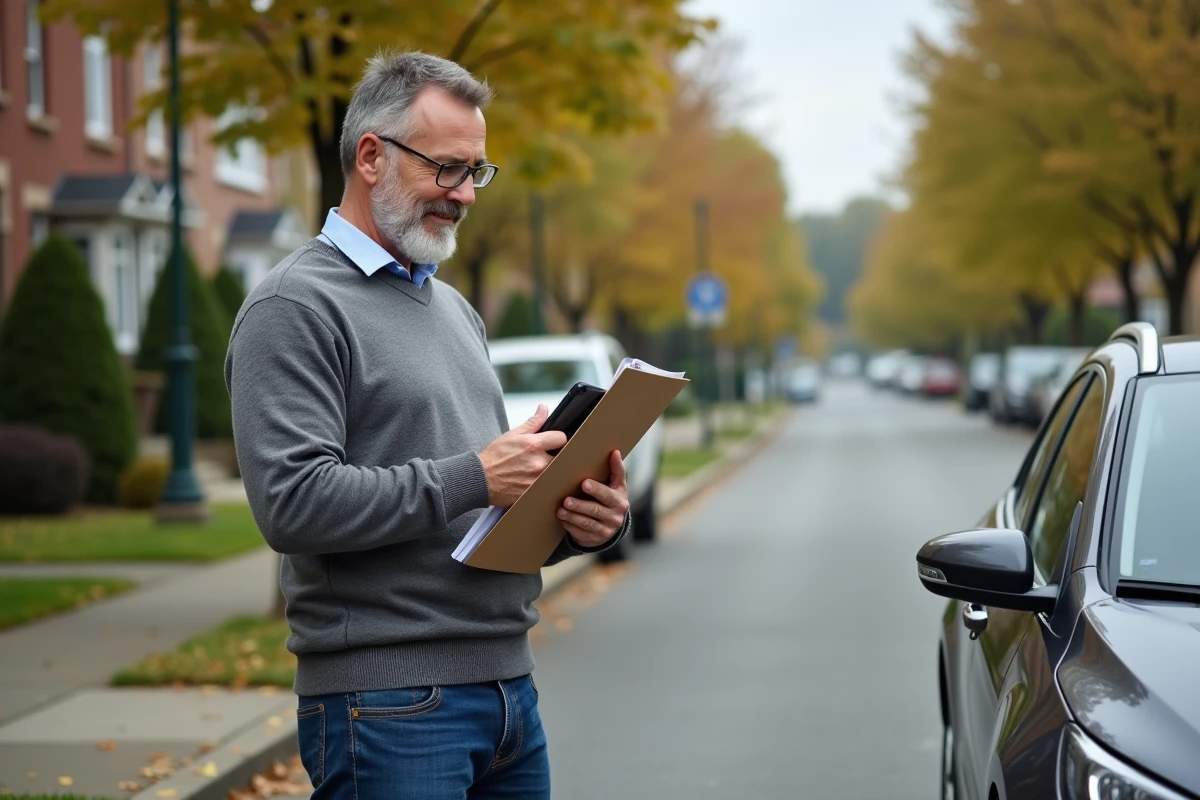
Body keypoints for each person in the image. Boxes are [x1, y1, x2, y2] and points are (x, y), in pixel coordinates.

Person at [224, 51, 630, 799]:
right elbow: (293, 504)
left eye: (477, 172)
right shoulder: (293, 307)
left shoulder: (454, 310)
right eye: (447, 169)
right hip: (387, 707)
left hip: (509, 690)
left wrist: (580, 520)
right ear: (371, 156)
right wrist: (477, 473)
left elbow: (478, 513)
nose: (465, 194)